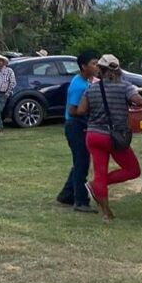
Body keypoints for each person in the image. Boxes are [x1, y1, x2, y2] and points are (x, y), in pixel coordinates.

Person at [78, 54, 142, 221]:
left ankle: (106, 213)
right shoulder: (125, 86)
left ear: (100, 70)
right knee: (133, 170)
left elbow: (81, 110)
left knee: (100, 172)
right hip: (114, 136)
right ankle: (96, 184)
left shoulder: (91, 89)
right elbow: (139, 101)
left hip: (94, 135)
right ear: (118, 69)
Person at [56, 51, 99, 212]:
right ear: (84, 66)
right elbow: (73, 110)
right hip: (75, 125)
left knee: (79, 163)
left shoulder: (86, 81)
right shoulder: (79, 85)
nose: (96, 67)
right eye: (94, 63)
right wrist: (89, 112)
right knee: (82, 164)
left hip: (79, 125)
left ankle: (66, 195)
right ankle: (81, 201)